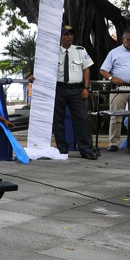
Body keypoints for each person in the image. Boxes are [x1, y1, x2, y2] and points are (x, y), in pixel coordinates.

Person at [53, 25, 97, 160]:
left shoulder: (80, 50)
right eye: (66, 34)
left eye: (71, 34)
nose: (69, 37)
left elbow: (86, 69)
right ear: (60, 36)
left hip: (76, 89)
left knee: (82, 119)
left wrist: (86, 87)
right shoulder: (53, 52)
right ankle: (62, 149)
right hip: (59, 89)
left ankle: (86, 149)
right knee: (58, 119)